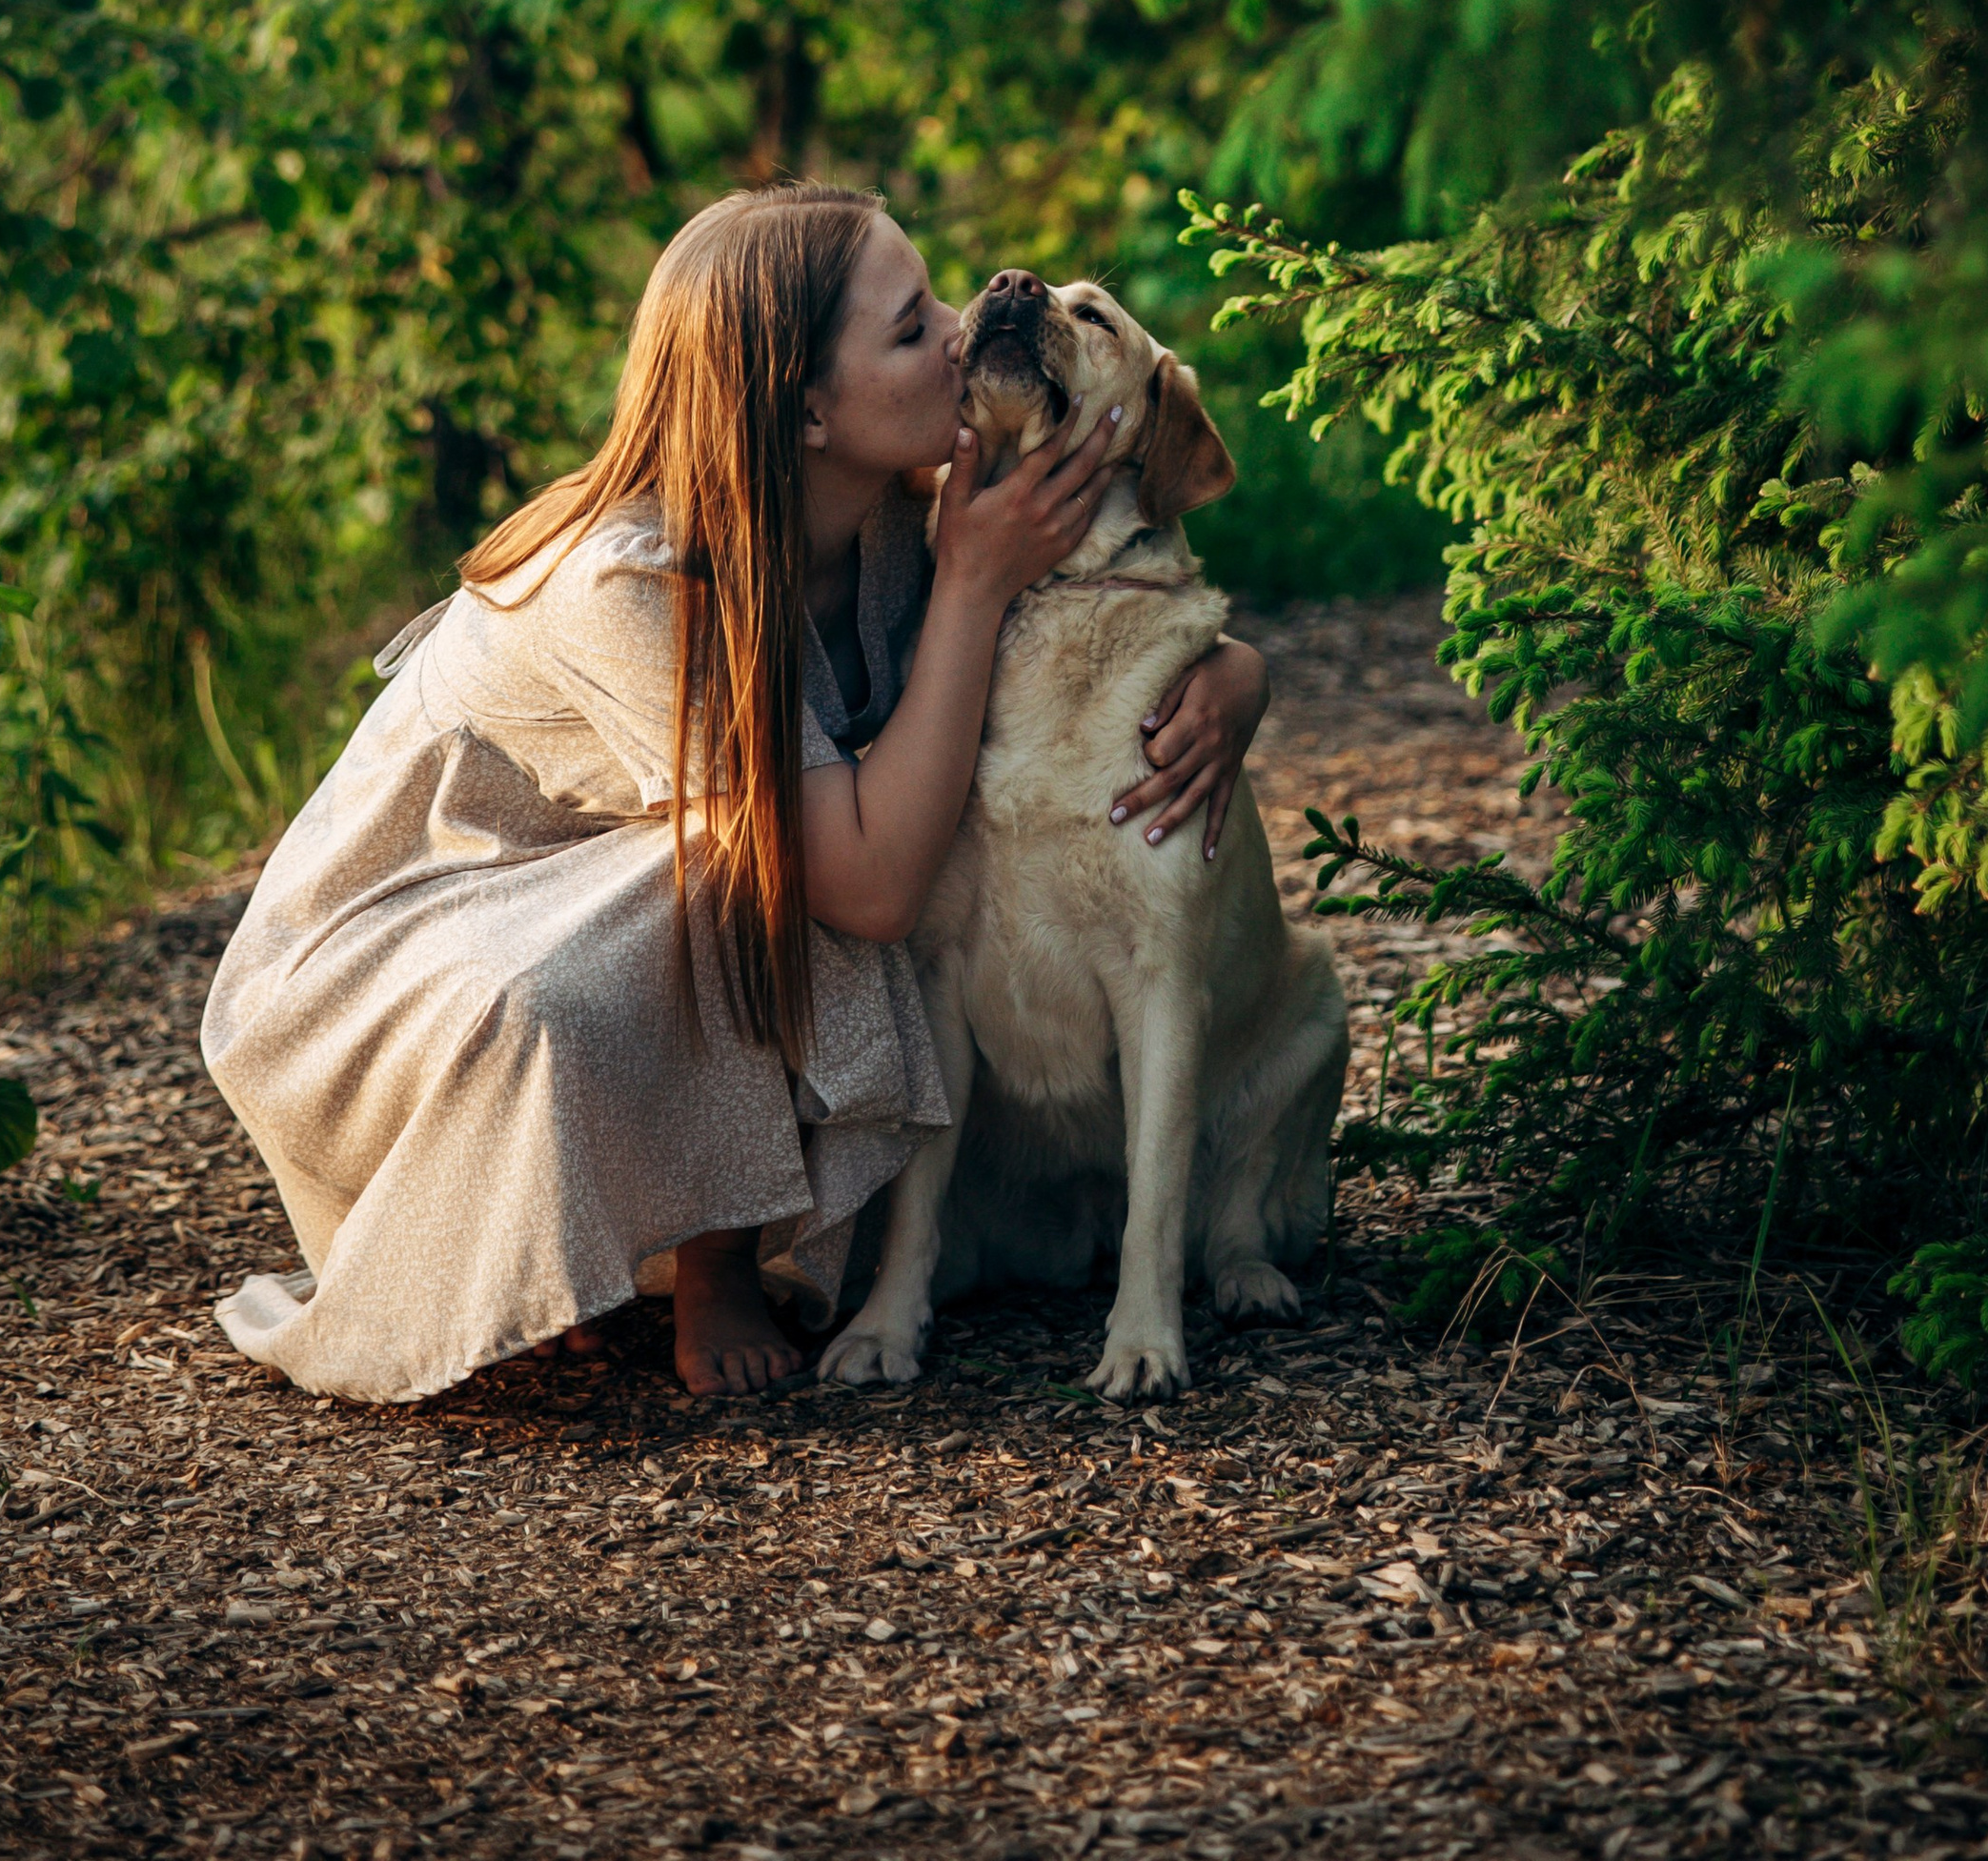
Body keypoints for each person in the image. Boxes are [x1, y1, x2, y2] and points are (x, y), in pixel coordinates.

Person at [201, 184, 1271, 1403]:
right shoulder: (636, 581)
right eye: (914, 327)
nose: (961, 325)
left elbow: (1089, 613)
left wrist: (1234, 673)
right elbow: (864, 887)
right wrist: (971, 592)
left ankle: (648, 1229)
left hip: (590, 928)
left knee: (789, 838)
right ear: (808, 409)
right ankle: (699, 1259)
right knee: (775, 850)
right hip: (395, 974)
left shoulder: (890, 515)